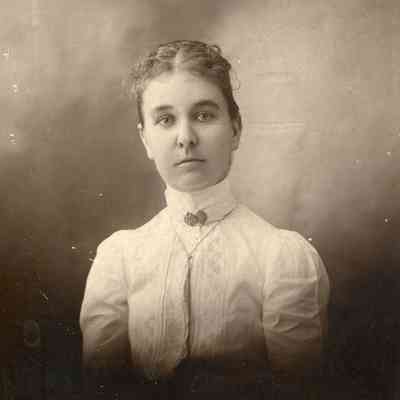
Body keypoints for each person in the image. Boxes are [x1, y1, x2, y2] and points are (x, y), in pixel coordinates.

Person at [79, 40, 330, 399]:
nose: (186, 138)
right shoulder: (119, 257)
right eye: (165, 120)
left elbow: (298, 389)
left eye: (203, 115)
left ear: (235, 129)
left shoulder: (280, 256)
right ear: (146, 139)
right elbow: (100, 387)